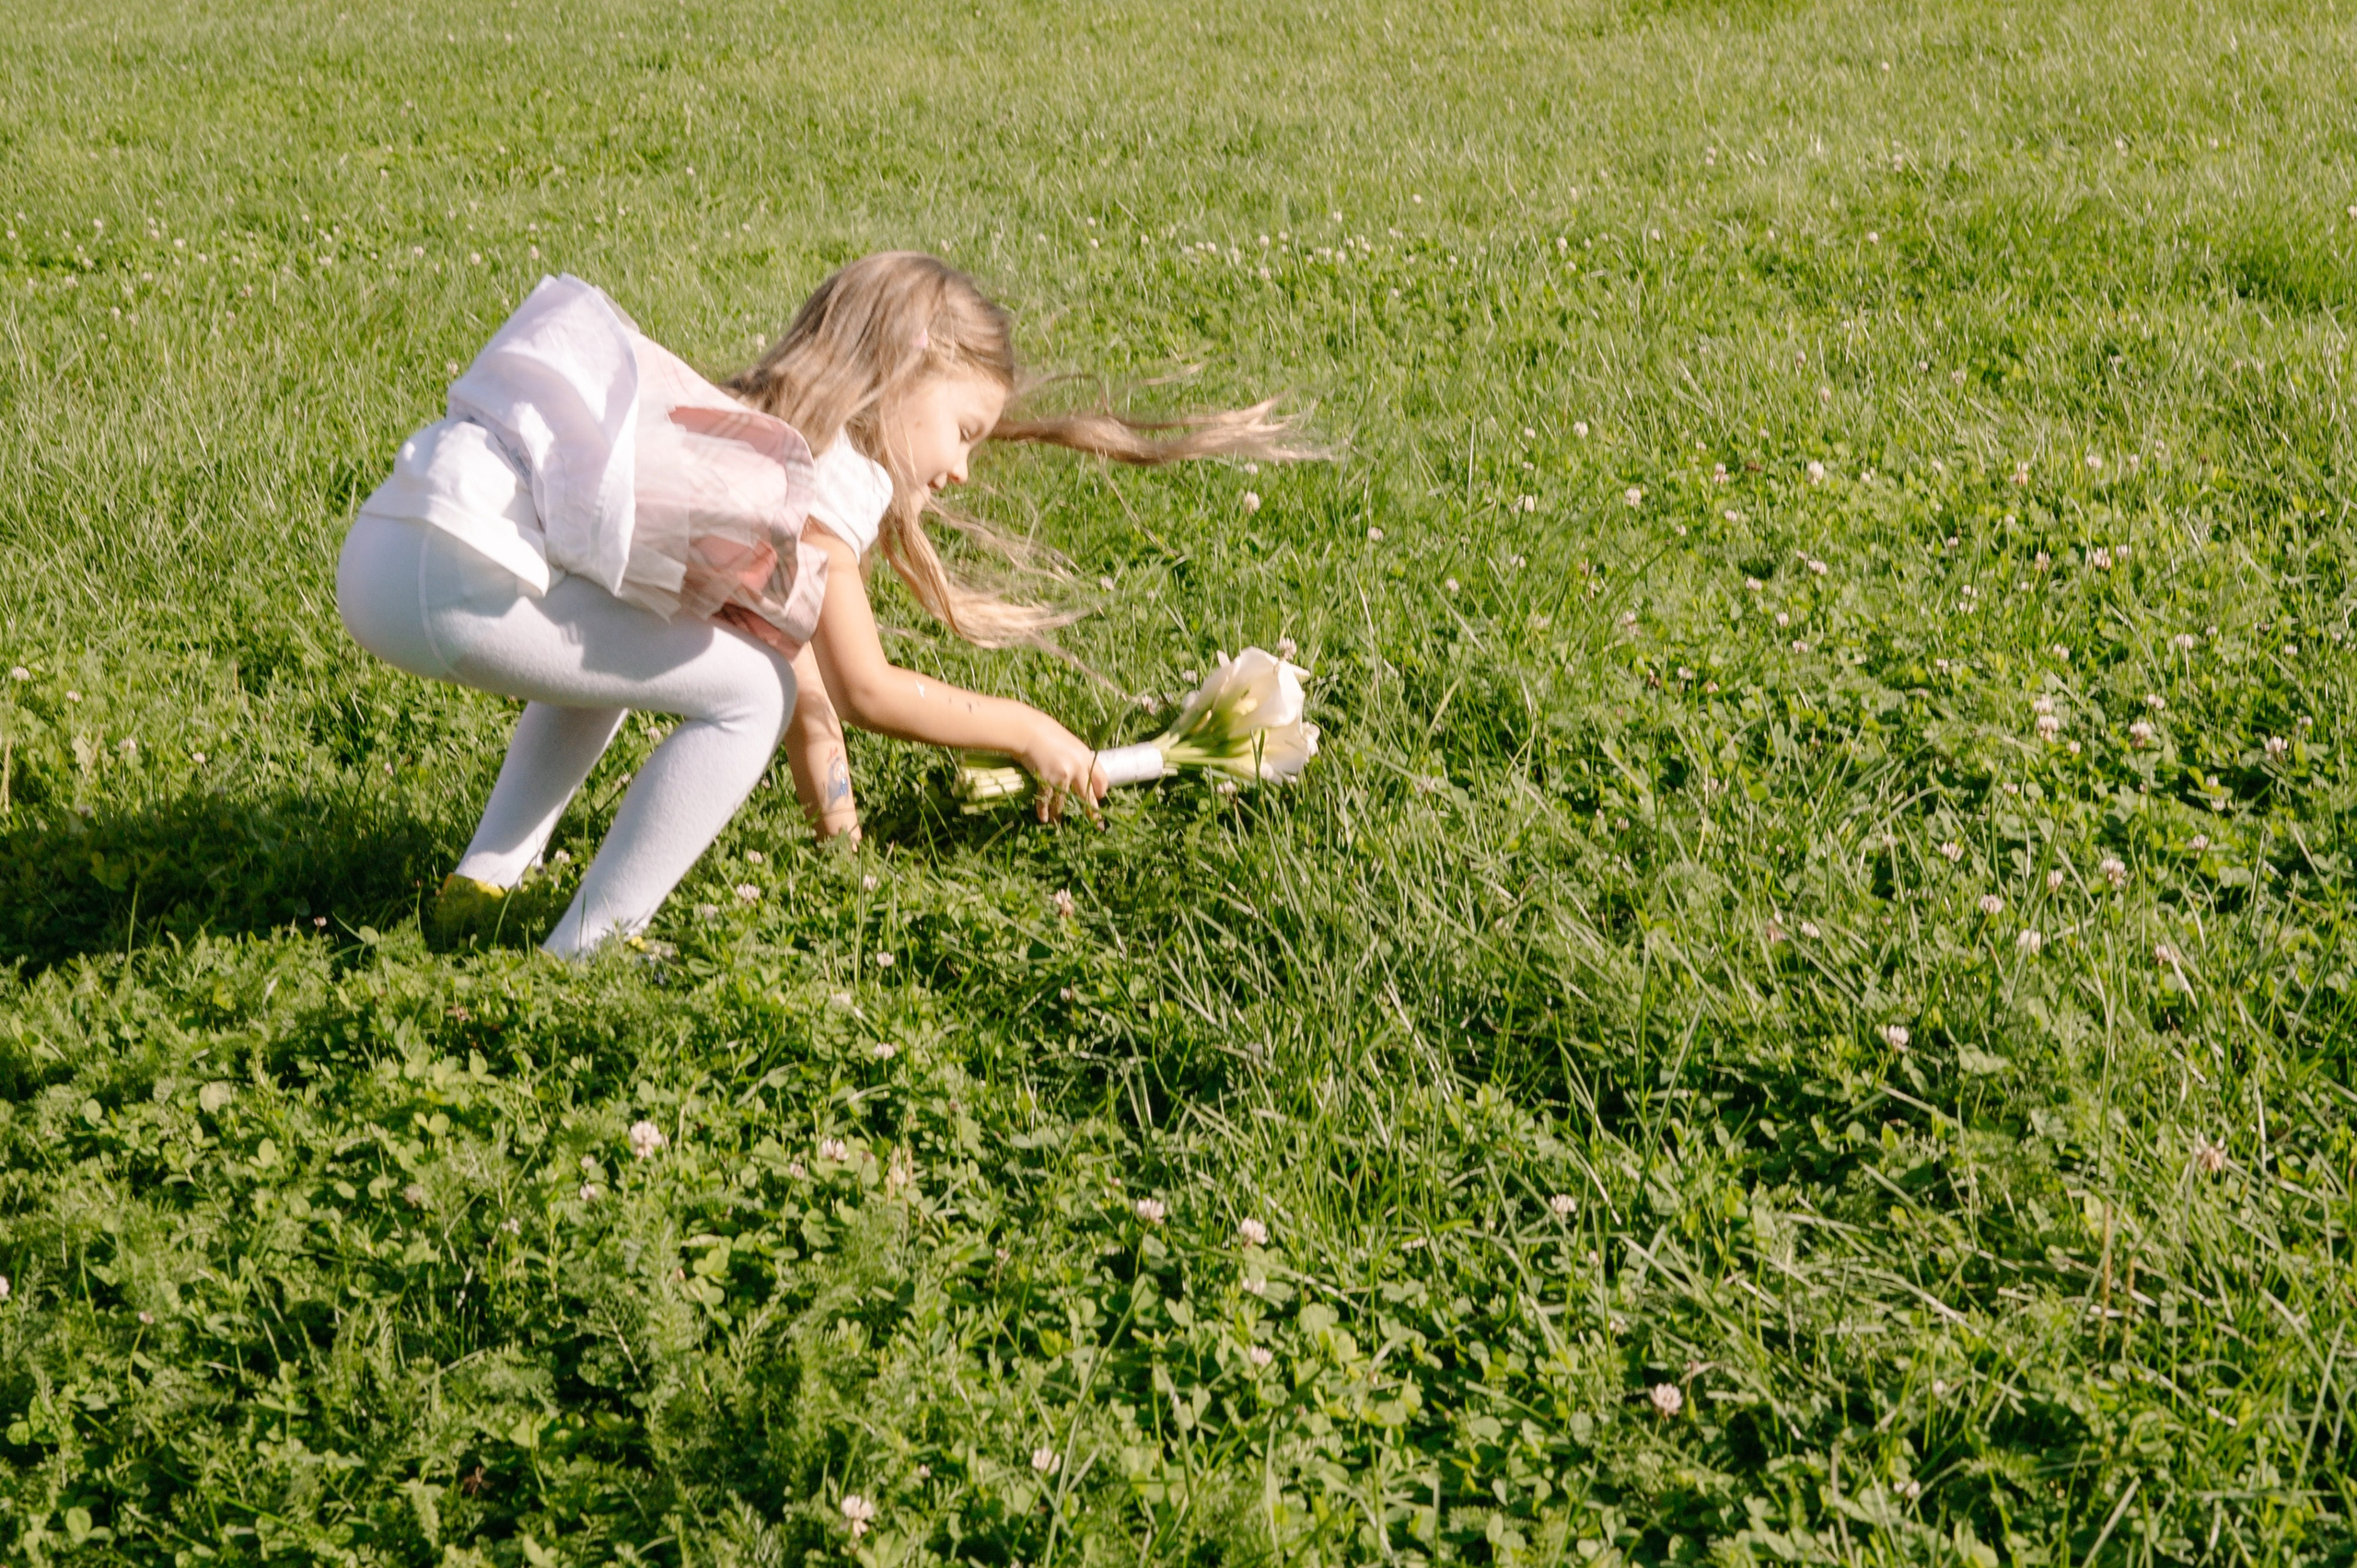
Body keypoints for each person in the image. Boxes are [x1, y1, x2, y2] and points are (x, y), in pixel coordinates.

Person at [338, 252, 1299, 957]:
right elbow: (863, 687)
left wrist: (839, 831)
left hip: (389, 552)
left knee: (653, 661)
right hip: (457, 577)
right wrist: (1029, 730)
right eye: (963, 429)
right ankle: (587, 948)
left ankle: (483, 882)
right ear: (909, 364)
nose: (963, 468)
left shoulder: (754, 427)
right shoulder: (833, 467)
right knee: (742, 692)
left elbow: (815, 701)